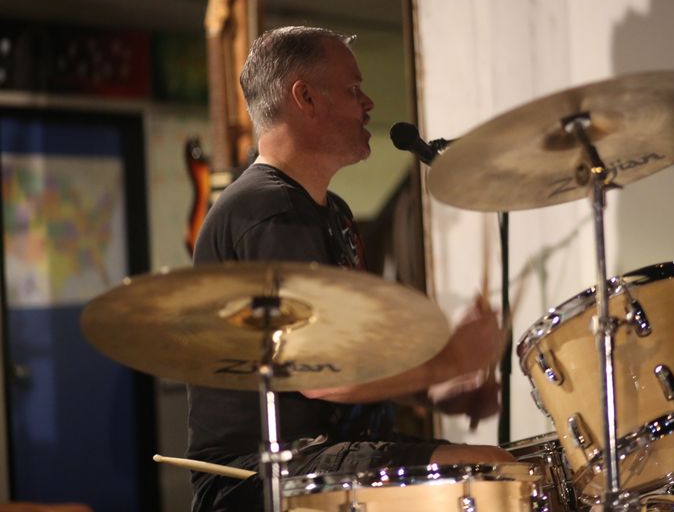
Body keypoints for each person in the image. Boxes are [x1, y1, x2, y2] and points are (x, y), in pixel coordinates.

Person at [187, 26, 514, 512]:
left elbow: (350, 362)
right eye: (353, 89)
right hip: (260, 475)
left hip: (330, 453)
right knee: (496, 474)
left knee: (502, 471)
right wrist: (450, 360)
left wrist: (433, 392)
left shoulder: (331, 212)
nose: (368, 104)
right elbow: (321, 376)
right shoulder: (268, 212)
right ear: (305, 97)